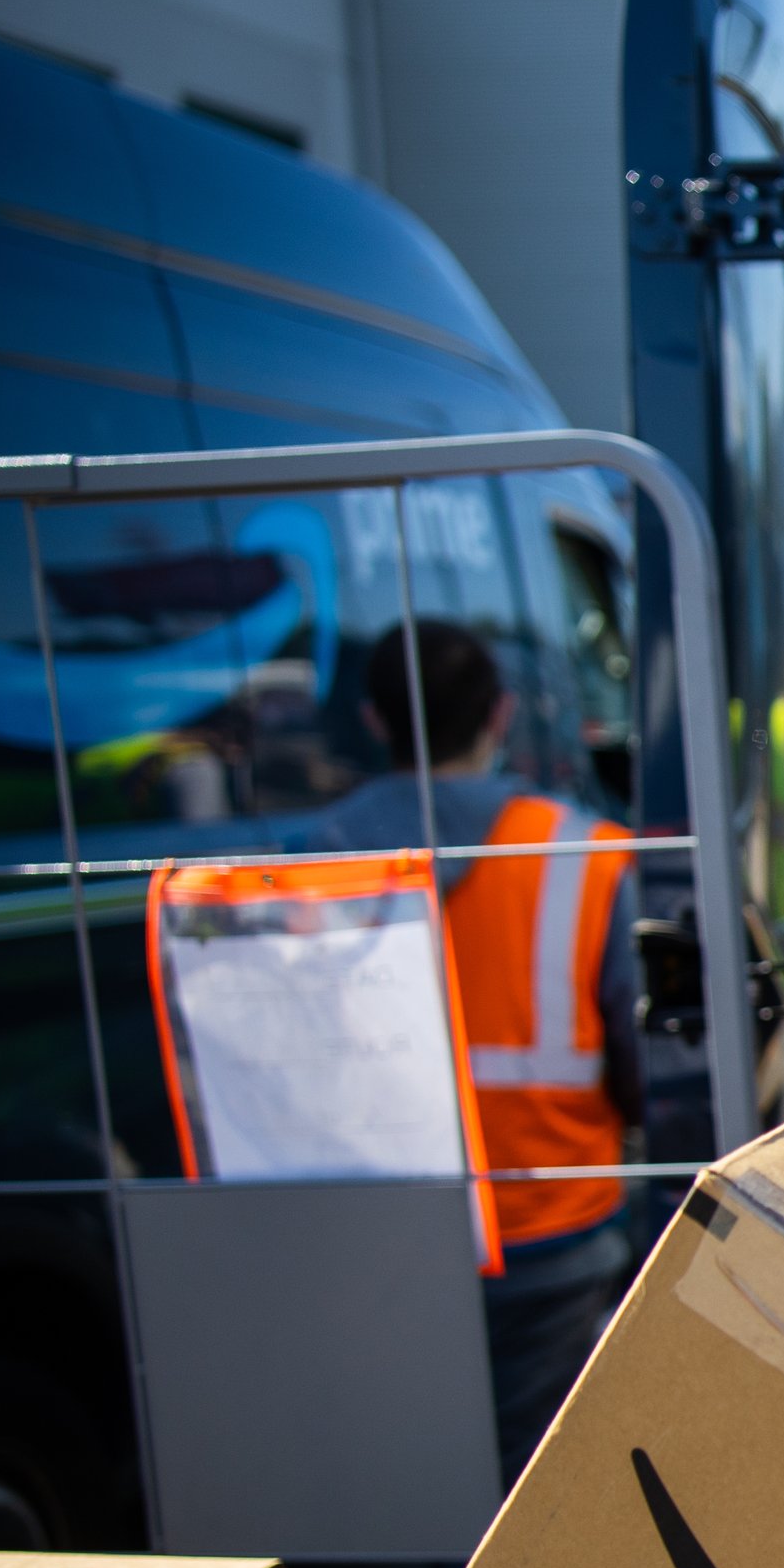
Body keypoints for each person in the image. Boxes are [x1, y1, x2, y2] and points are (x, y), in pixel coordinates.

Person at [301, 618, 643, 1485]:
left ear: (377, 723)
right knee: (541, 1496)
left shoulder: (313, 862)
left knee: (422, 1486)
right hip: (553, 1235)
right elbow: (640, 1064)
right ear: (500, 714)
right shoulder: (582, 852)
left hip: (385, 1240)